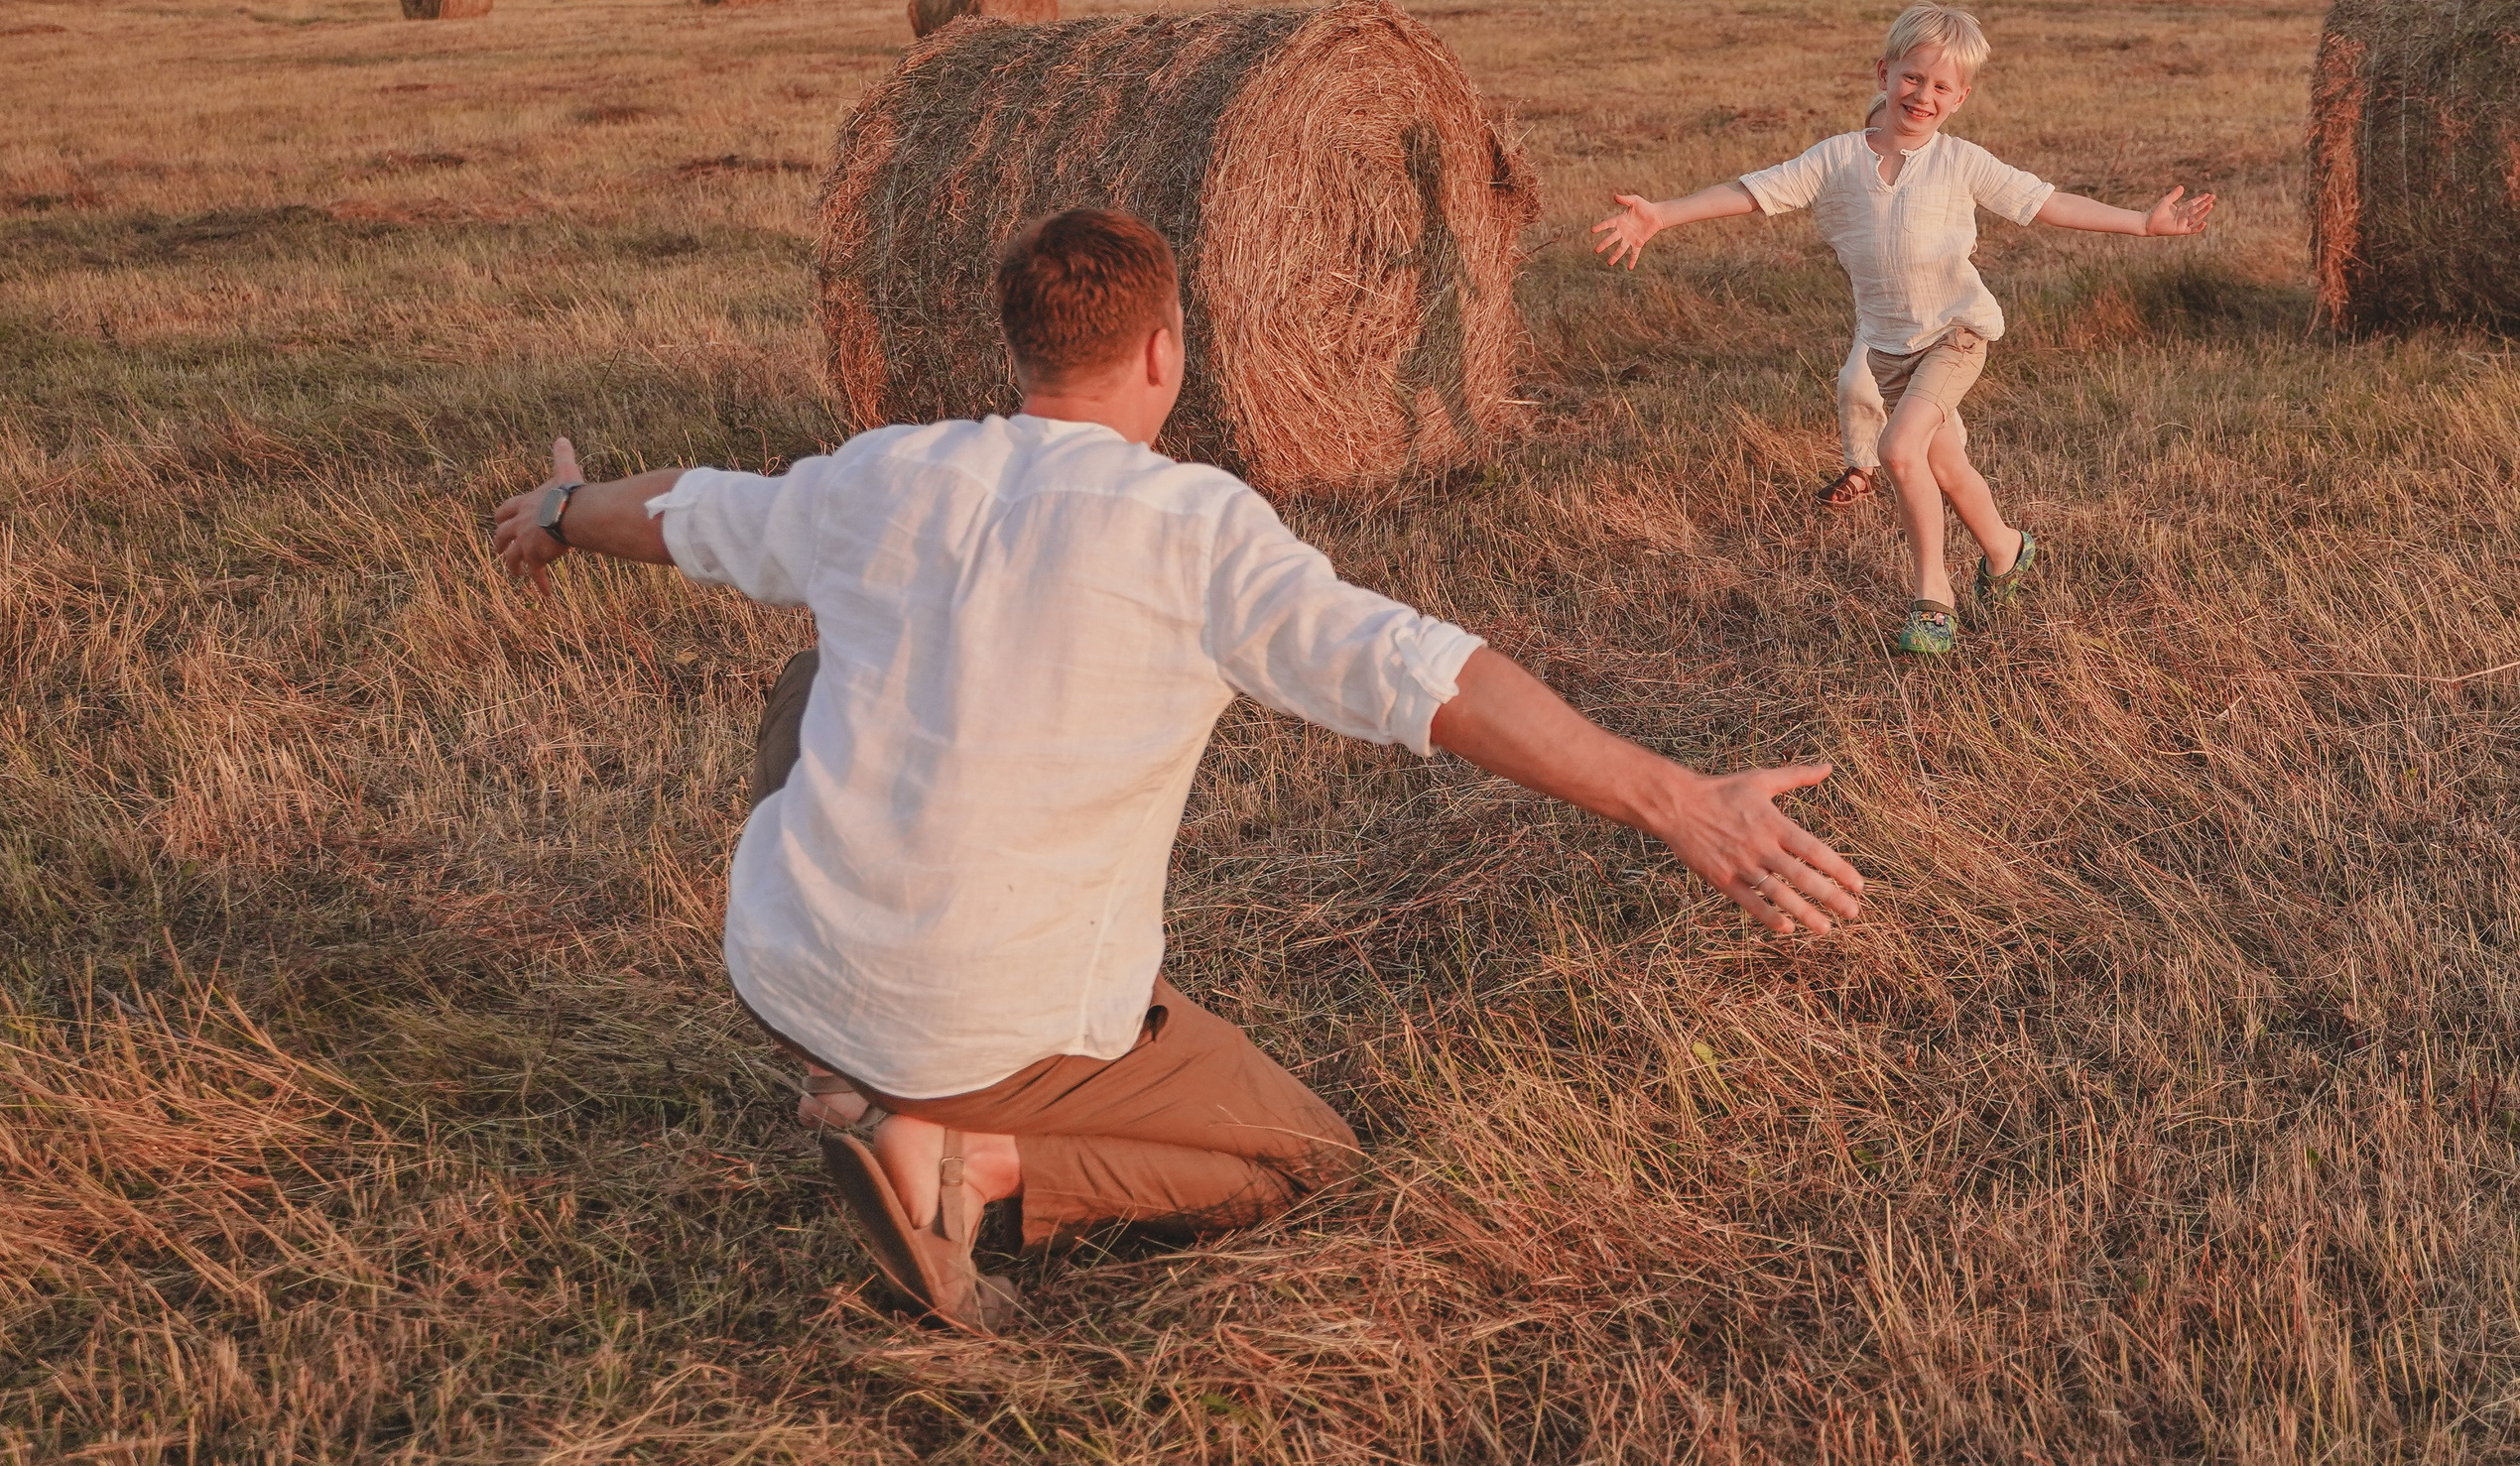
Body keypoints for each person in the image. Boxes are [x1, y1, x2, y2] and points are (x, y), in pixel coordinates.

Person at [491, 207, 1866, 1333]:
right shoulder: (1197, 527)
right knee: (1302, 1154)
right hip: (986, 1017)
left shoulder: (880, 472)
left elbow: (688, 511)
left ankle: (867, 1088)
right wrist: (1675, 796)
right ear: (1166, 349)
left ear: (1015, 350)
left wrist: (558, 508)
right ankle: (968, 1163)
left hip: (783, 963)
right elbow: (1425, 673)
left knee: (817, 671)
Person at [1592, 1, 2216, 656]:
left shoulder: (1961, 161)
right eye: (1913, 78)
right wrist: (1661, 214)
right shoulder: (1835, 158)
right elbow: (1750, 191)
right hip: (1890, 346)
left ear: (1961, 98)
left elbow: (2047, 202)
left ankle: (1933, 596)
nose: (1924, 95)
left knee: (1897, 450)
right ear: (1885, 72)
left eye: (1942, 86)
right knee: (1946, 466)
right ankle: (2006, 549)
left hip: (1956, 333)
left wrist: (2141, 223)